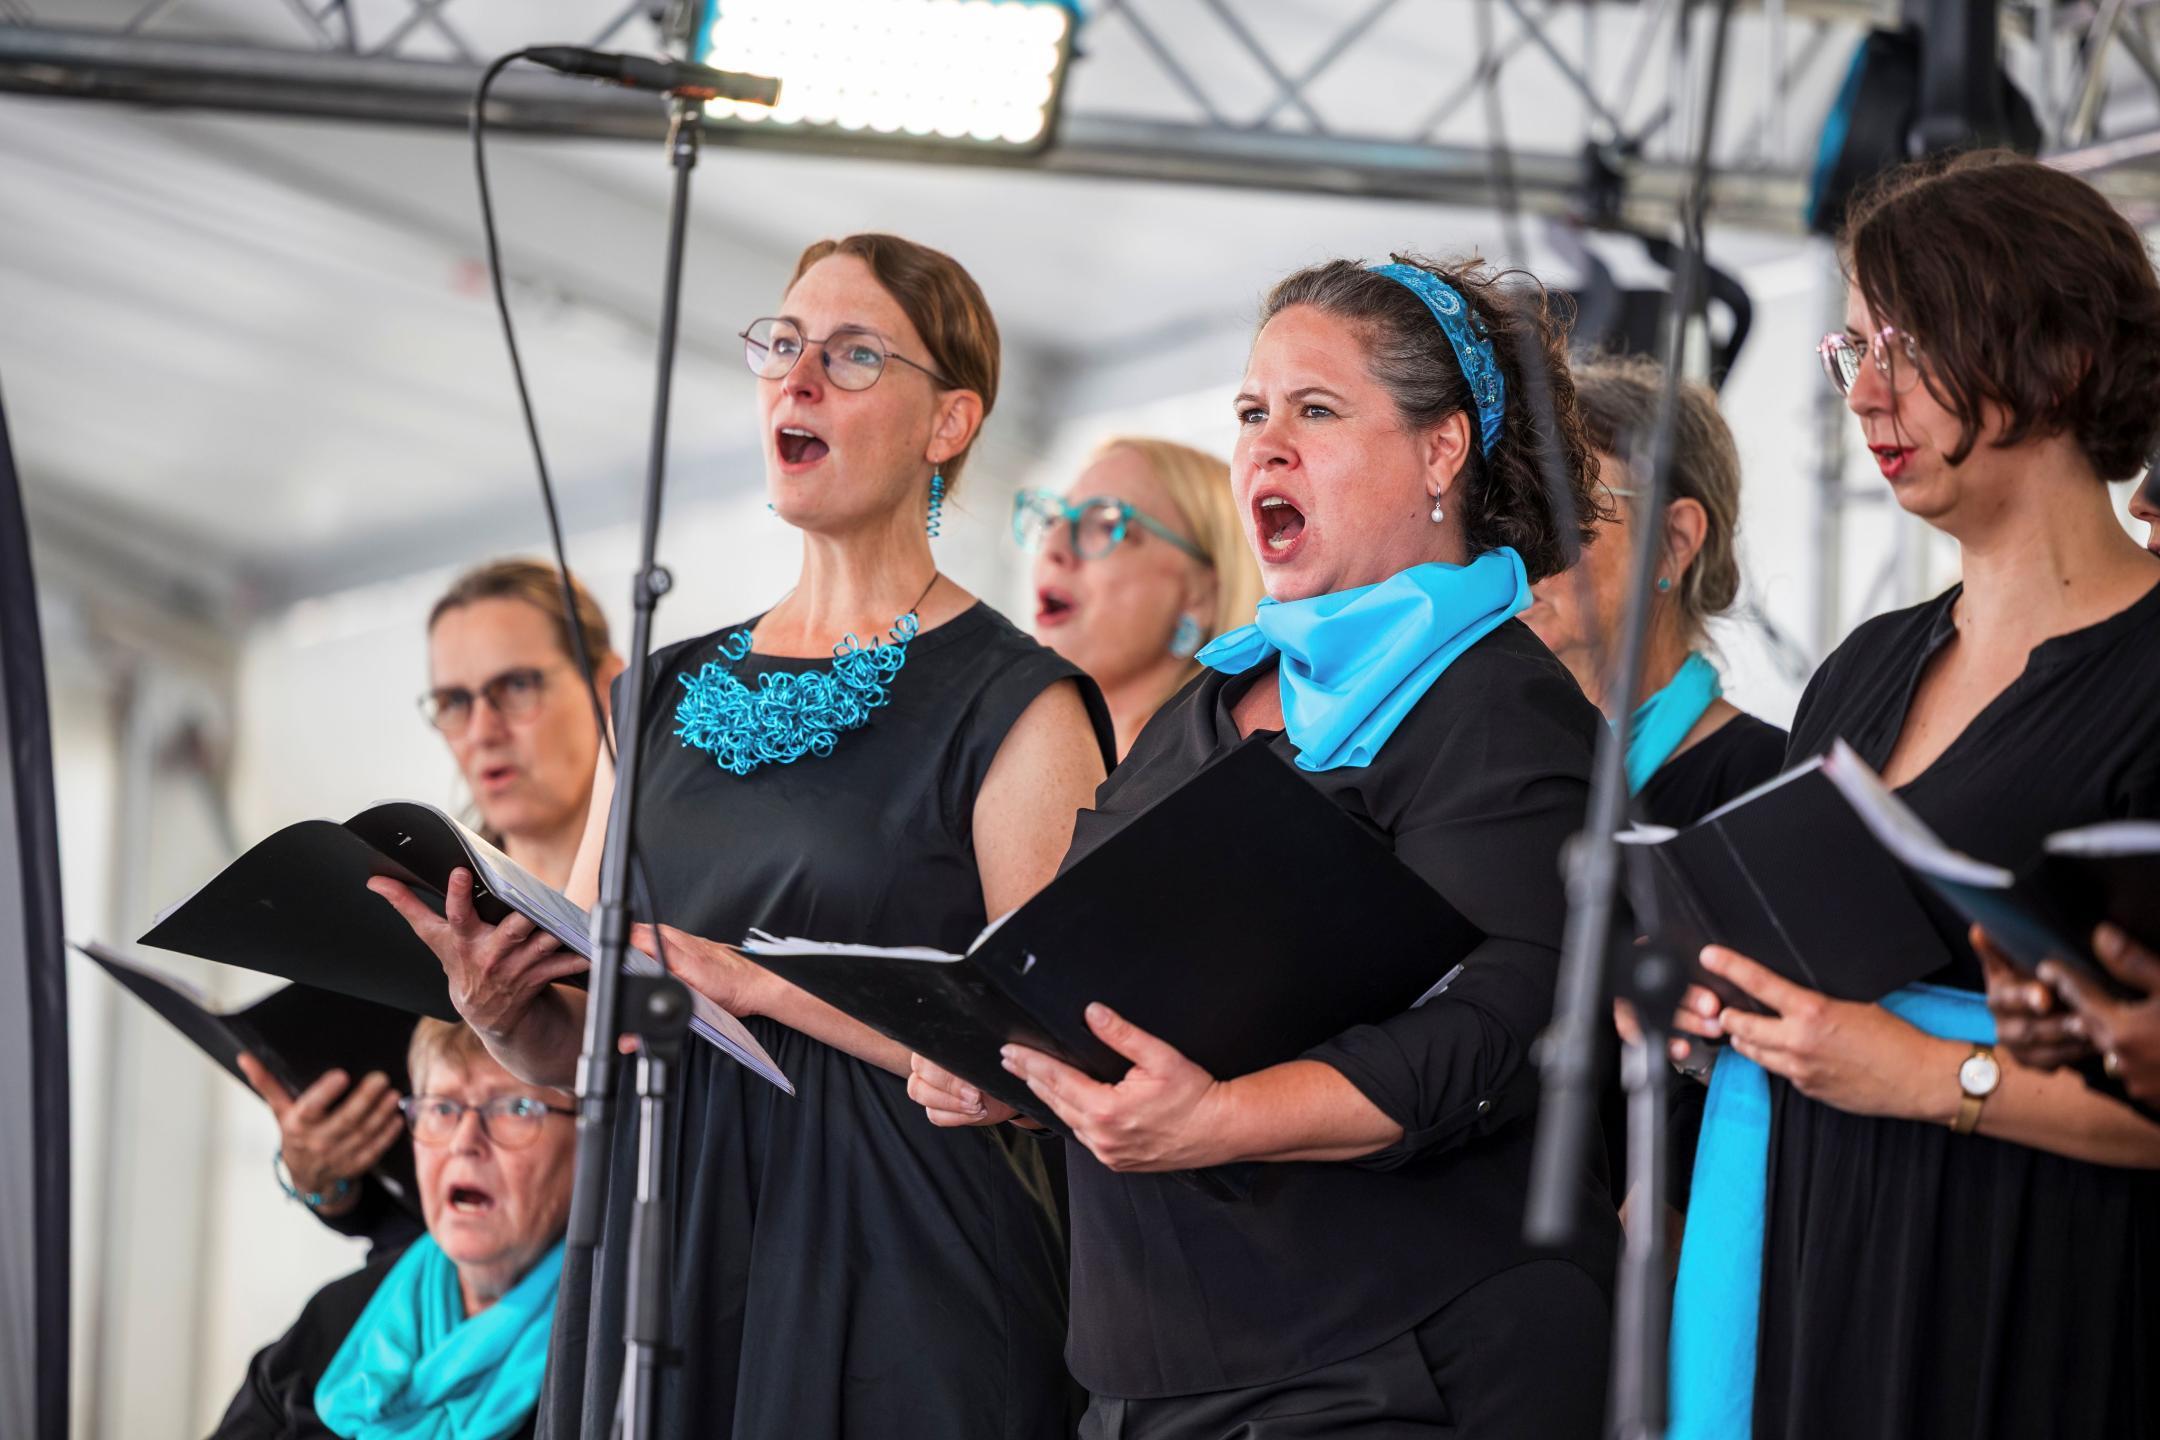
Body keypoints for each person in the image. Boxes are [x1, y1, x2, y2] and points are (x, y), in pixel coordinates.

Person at [374, 233, 1113, 1438]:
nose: (799, 377)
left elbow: (1047, 1063)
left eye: (854, 353)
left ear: (949, 422)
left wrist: (751, 983)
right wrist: (509, 1016)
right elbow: (593, 1031)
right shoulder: (654, 694)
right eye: (782, 344)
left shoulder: (1015, 701)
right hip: (668, 1241)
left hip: (902, 1262)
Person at [915, 251, 1619, 1436]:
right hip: (1149, 1371)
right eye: (1252, 413)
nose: (1267, 447)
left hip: (1396, 1361)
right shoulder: (1208, 701)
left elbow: (1504, 1026)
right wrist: (1018, 1065)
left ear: (1440, 450)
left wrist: (1220, 1121)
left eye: (1317, 411)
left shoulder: (1497, 704)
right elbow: (1116, 977)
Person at [1662, 151, 2160, 1440]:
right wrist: (1706, 991)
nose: (1864, 394)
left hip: (2043, 1268)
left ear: (2053, 354)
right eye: (1851, 350)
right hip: (1826, 1229)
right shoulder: (1865, 664)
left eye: (1906, 345)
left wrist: (1935, 1075)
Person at [239, 561, 621, 1253]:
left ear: (607, 685)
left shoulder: (681, 896)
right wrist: (324, 1179)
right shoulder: (413, 908)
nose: (482, 728)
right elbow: (412, 1210)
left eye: (515, 686)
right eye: (453, 700)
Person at [1521, 353, 1786, 1212]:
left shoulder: (1765, 781)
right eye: (1511, 513)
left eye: (1563, 512)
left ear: (1675, 540)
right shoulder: (1506, 776)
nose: (1524, 547)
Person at [212, 1018, 574, 1440]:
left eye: (515, 1108)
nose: (464, 1140)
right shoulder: (340, 1314)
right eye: (441, 1108)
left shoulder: (614, 1364)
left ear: (596, 1140)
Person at [1016, 436, 1264, 758]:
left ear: (1201, 595)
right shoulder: (1016, 758)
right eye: (1053, 519)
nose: (1053, 547)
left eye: (1106, 523)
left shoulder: (1221, 785)